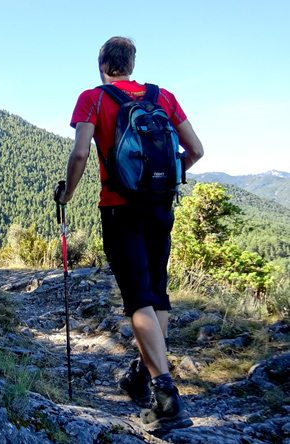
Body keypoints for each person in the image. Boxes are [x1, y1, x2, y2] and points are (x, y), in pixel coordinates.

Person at [55, 36, 204, 433]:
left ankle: (166, 399)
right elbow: (196, 150)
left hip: (120, 209)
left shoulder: (93, 97)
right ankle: (142, 376)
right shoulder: (163, 97)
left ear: (102, 62)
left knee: (137, 297)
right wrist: (170, 178)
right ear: (132, 63)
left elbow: (81, 153)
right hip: (161, 206)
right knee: (157, 291)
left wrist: (66, 193)